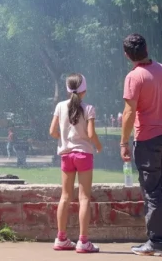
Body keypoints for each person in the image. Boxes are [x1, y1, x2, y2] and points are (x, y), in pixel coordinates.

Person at [119, 33, 162, 256]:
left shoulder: (134, 77)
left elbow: (129, 112)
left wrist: (123, 142)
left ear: (127, 54)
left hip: (147, 139)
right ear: (147, 48)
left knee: (152, 191)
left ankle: (157, 242)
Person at [49, 73, 102, 253]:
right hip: (84, 154)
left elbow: (52, 131)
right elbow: (91, 133)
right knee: (84, 197)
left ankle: (61, 238)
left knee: (65, 196)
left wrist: (63, 140)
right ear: (84, 90)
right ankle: (83, 241)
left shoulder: (60, 106)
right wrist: (99, 146)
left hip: (66, 155)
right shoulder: (88, 108)